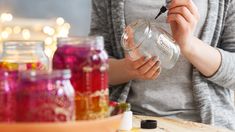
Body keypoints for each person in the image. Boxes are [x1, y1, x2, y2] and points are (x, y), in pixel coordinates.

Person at [90, 0, 235, 130]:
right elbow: (93, 70)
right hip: (130, 123)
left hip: (205, 125)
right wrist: (128, 68)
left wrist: (189, 45)